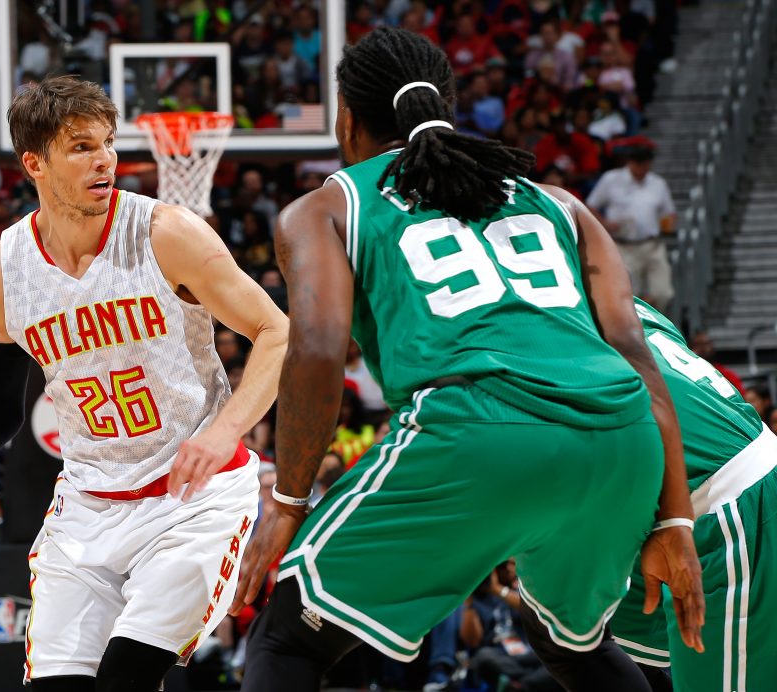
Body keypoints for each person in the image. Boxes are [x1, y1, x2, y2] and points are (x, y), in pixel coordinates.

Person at [232, 27, 703, 692]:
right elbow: (640, 361)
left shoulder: (327, 206)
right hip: (621, 442)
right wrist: (674, 517)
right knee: (569, 641)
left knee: (288, 638)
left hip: (476, 427)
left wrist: (287, 501)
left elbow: (315, 350)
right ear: (445, 107)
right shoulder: (562, 204)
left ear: (346, 116)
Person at [0, 74, 288, 692]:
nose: (104, 159)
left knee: (126, 678)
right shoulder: (1, 272)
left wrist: (226, 431)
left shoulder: (166, 233)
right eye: (80, 146)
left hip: (193, 500)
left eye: (107, 143)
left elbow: (276, 332)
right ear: (34, 163)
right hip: (87, 506)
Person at [527, 299, 777, 692]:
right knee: (554, 617)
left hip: (731, 507)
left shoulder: (525, 337)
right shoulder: (620, 302)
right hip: (691, 499)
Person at [586, 142, 676, 309]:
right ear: (630, 162)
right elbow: (590, 205)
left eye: (646, 164)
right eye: (639, 164)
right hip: (622, 245)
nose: (642, 168)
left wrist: (668, 223)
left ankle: (654, 321)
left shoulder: (658, 183)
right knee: (629, 295)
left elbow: (669, 212)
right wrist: (605, 223)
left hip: (652, 244)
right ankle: (639, 328)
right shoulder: (611, 179)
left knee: (663, 292)